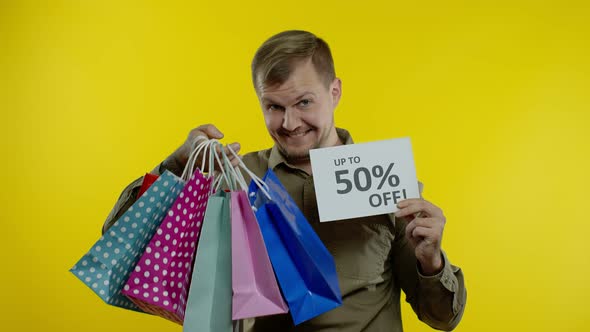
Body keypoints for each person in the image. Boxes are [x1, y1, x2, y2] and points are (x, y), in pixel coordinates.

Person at [103, 30, 466, 331]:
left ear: (334, 92)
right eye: (273, 107)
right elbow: (121, 244)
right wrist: (176, 164)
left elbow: (441, 318)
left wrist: (431, 261)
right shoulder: (234, 180)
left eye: (304, 103)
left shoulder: (383, 180)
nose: (289, 124)